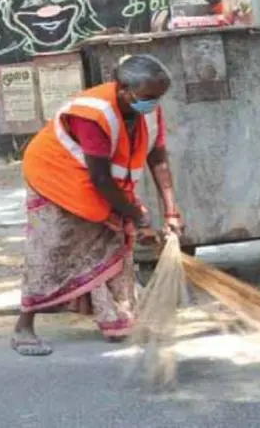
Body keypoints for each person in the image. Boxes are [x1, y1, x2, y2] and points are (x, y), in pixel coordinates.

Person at [12, 53, 184, 356]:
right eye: (147, 97)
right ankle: (23, 327)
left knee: (114, 241)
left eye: (158, 97)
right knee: (53, 248)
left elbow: (158, 158)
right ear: (123, 89)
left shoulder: (148, 108)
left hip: (99, 181)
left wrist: (171, 210)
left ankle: (117, 318)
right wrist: (136, 214)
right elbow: (101, 179)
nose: (154, 104)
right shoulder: (93, 114)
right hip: (56, 177)